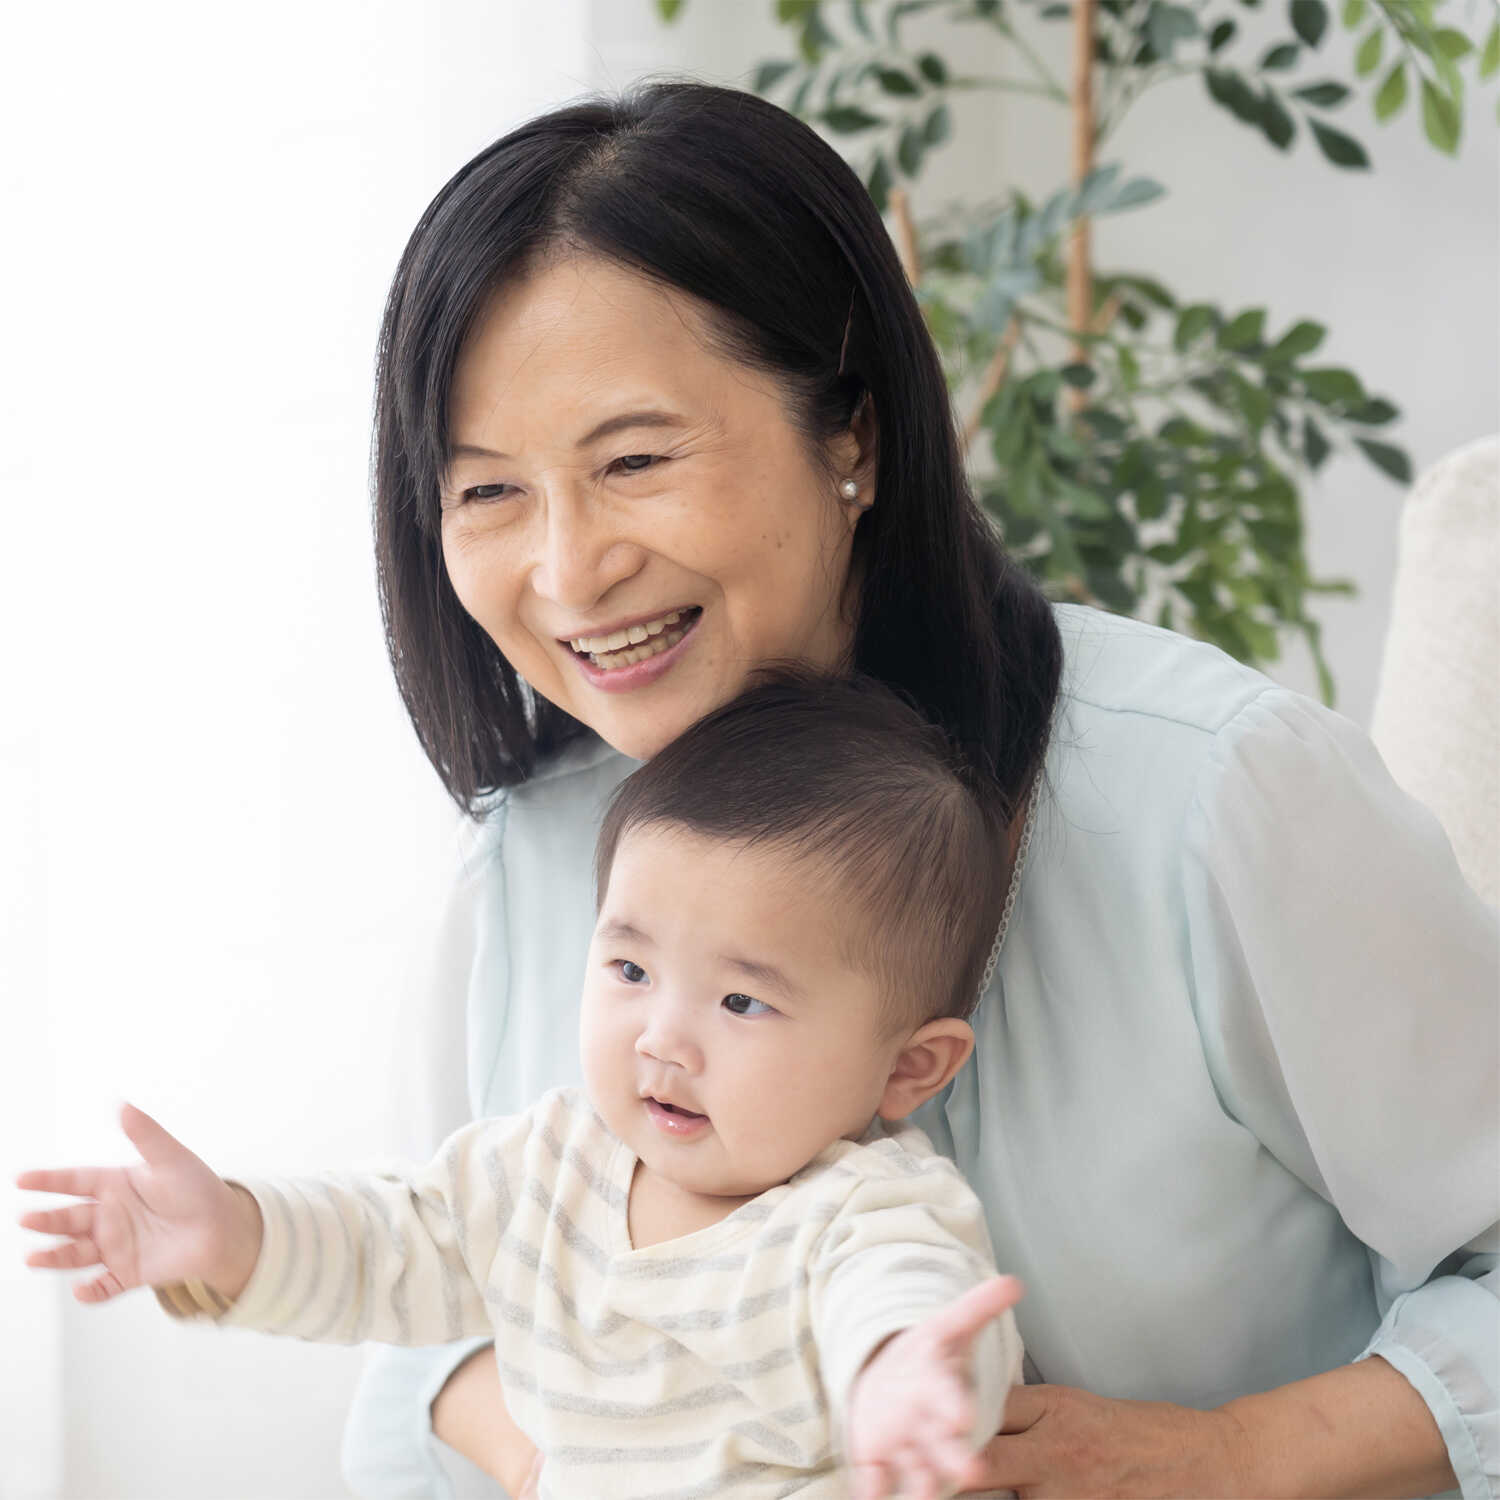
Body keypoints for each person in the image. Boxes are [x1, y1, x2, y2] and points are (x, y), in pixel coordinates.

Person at [246, 78, 1498, 1499]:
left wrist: (1227, 1455)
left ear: (851, 434)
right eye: (487, 493)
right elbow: (436, 1304)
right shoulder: (529, 865)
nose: (569, 569)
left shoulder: (1215, 800)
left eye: (635, 460)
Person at [20, 675, 1033, 1500]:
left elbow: (911, 1297)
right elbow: (386, 1245)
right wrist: (236, 1233)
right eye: (630, 970)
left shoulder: (863, 1212)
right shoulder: (543, 1168)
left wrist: (903, 1376)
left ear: (909, 1068)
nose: (663, 1039)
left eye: (741, 1002)